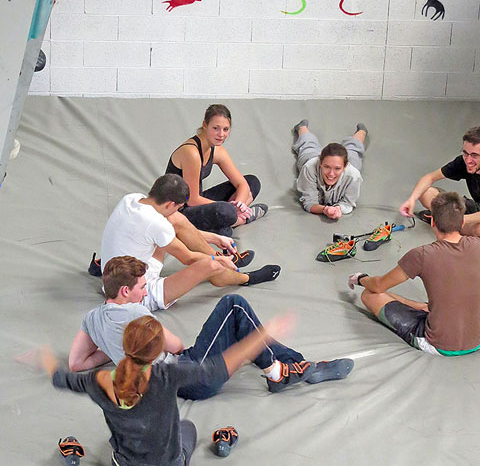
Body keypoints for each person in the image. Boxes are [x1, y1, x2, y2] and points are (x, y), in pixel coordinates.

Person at [30, 312, 296, 466]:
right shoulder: (167, 375)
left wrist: (46, 359)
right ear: (158, 351)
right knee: (187, 427)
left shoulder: (98, 380)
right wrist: (263, 334)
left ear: (124, 347)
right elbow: (218, 367)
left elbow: (61, 379)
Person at [69, 256, 354, 396]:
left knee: (239, 326)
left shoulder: (91, 318)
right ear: (124, 292)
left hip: (169, 385)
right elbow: (177, 346)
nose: (145, 292)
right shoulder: (135, 312)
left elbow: (77, 363)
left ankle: (292, 364)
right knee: (234, 304)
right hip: (189, 376)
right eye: (142, 287)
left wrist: (112, 348)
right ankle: (278, 371)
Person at [98, 174, 281, 312]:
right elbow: (188, 258)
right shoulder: (156, 223)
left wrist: (216, 238)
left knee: (175, 219)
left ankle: (223, 258)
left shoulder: (132, 199)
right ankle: (245, 277)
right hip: (135, 294)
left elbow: (170, 225)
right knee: (208, 265)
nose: (178, 210)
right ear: (170, 203)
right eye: (178, 206)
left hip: (113, 275)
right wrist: (217, 261)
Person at [349, 192, 480, 356]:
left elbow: (379, 285)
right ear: (463, 221)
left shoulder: (422, 255)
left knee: (370, 295)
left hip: (438, 345)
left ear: (432, 222)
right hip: (477, 340)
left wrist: (361, 279)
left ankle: (423, 312)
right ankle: (424, 308)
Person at [399, 126, 480, 244]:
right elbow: (430, 177)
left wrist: (459, 218)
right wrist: (412, 199)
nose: (468, 160)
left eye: (474, 155)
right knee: (426, 193)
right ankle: (447, 222)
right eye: (465, 153)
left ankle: (444, 222)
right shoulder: (464, 161)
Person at [166, 104, 267, 236]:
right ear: (204, 125)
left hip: (198, 201)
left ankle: (232, 218)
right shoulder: (192, 152)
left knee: (252, 182)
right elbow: (192, 200)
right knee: (225, 215)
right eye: (215, 128)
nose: (221, 134)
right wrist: (230, 208)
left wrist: (239, 205)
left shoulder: (218, 150)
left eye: (226, 129)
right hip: (178, 211)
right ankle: (240, 219)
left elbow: (241, 184)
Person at [292, 119, 366, 219]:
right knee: (308, 146)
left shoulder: (353, 175)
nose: (331, 174)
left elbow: (348, 203)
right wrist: (324, 209)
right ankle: (302, 127)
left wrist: (338, 209)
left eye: (337, 168)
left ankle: (362, 131)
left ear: (345, 166)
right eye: (327, 167)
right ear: (320, 162)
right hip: (311, 157)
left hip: (349, 163)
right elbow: (309, 202)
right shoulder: (309, 167)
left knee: (353, 149)